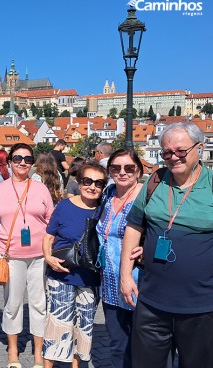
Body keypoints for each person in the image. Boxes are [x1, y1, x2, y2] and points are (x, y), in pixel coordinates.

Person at [120, 122, 213, 368]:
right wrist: (126, 276)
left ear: (199, 149)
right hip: (151, 302)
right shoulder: (155, 181)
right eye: (166, 153)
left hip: (201, 306)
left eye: (180, 151)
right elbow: (134, 226)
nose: (173, 157)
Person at [0, 143, 54, 368]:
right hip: (11, 257)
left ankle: (37, 354)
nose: (22, 162)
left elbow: (51, 221)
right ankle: (13, 352)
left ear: (32, 162)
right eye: (17, 158)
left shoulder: (40, 188)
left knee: (39, 304)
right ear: (10, 161)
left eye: (27, 158)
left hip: (39, 257)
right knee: (12, 304)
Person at [42, 161, 107, 368]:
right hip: (61, 273)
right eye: (87, 181)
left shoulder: (104, 210)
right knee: (57, 324)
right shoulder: (64, 206)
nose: (92, 186)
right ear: (79, 183)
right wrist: (48, 257)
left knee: (85, 326)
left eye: (99, 183)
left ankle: (76, 365)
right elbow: (48, 237)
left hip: (90, 277)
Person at [96, 150, 143, 368]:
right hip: (109, 283)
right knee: (117, 343)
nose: (122, 172)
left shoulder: (147, 197)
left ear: (139, 171)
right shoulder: (108, 194)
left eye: (129, 168)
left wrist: (146, 247)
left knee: (143, 343)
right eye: (116, 168)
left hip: (138, 282)